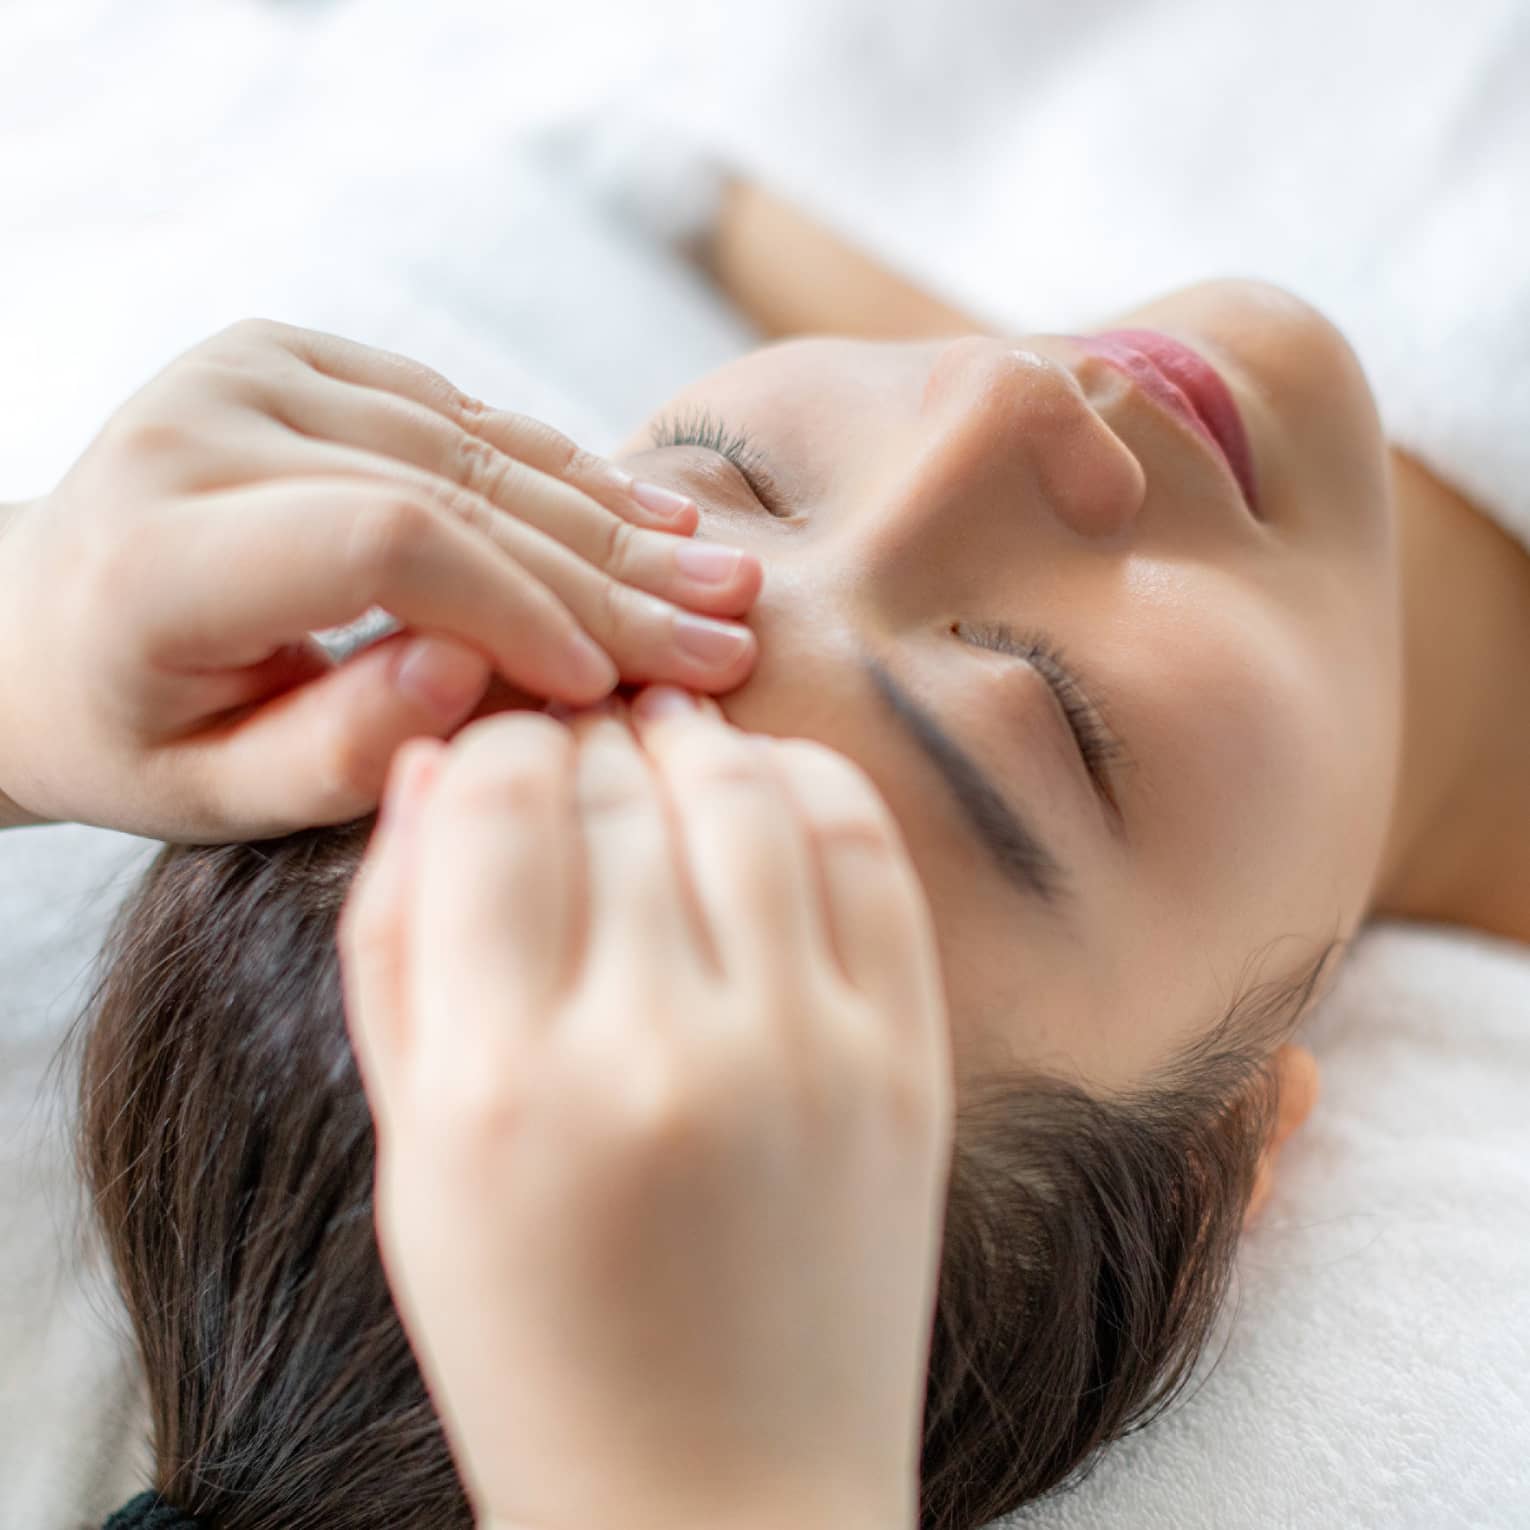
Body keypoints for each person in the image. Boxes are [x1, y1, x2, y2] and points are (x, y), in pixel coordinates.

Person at [19, 174, 1528, 1529]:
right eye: (1050, 715)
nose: (1001, 399)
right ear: (1237, 1133)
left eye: (726, 472)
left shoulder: (854, 164)